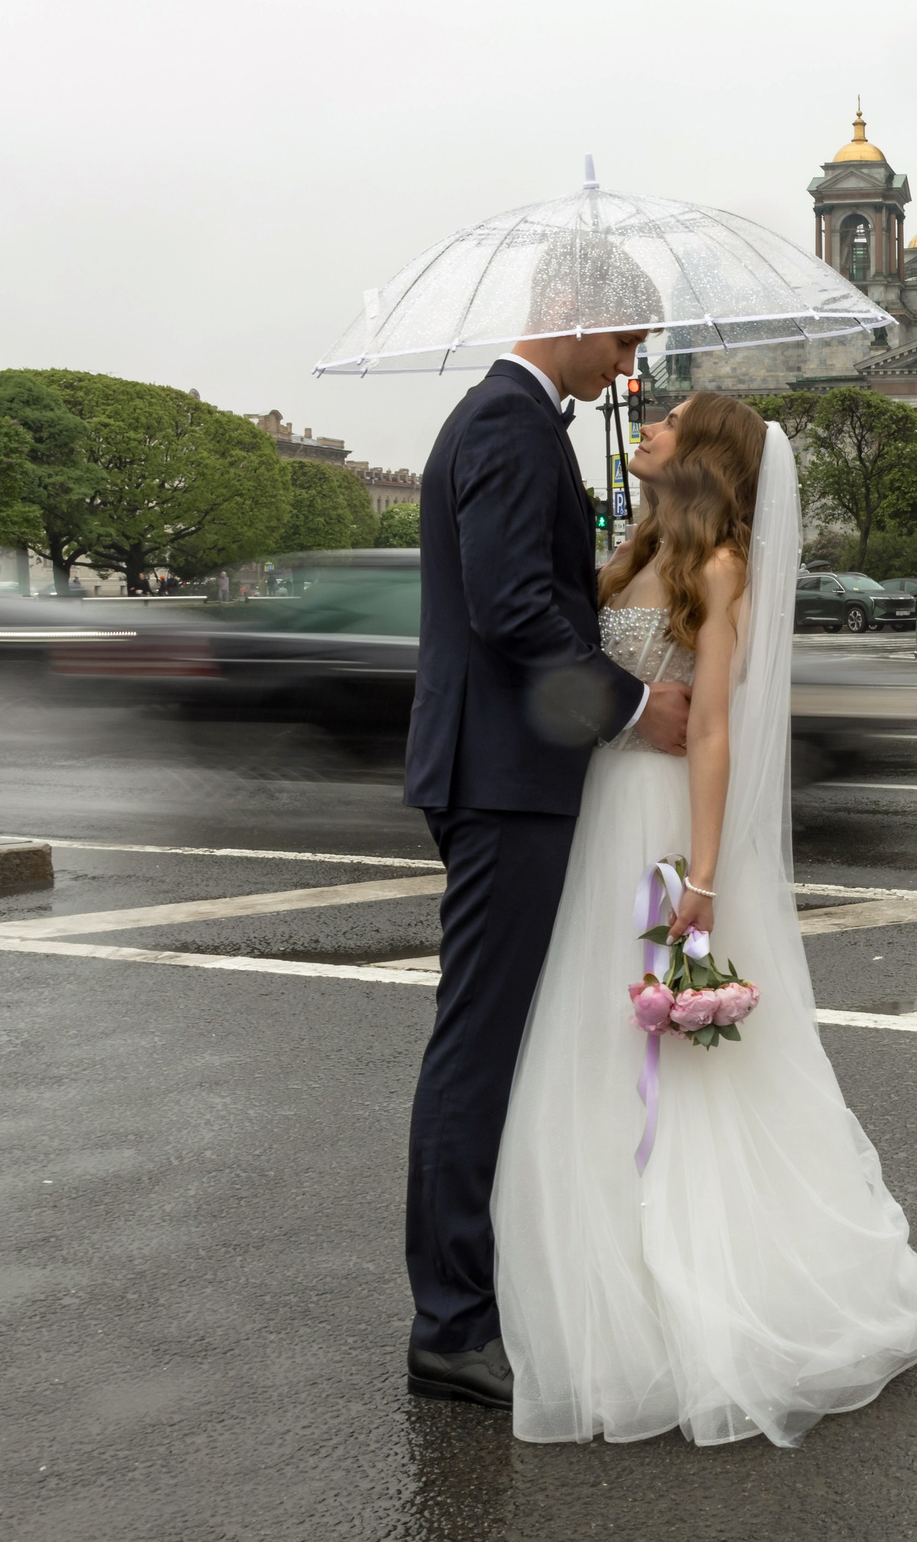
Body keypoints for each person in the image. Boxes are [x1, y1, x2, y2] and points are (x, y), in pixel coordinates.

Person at [488, 392, 917, 1447]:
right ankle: (610, 1270)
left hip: (656, 829)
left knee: (671, 1059)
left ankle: (696, 1292)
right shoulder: (631, 550)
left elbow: (714, 736)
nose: (644, 424)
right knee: (597, 1042)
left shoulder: (720, 568)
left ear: (703, 455)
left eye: (669, 421)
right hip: (601, 812)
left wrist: (699, 880)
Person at [401, 262, 694, 1411]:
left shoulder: (511, 421)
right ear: (572, 320)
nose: (630, 365)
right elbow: (510, 607)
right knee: (476, 1045)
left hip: (493, 766)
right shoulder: (512, 426)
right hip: (505, 777)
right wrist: (629, 707)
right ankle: (451, 1324)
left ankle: (471, 1297)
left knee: (488, 1037)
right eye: (624, 341)